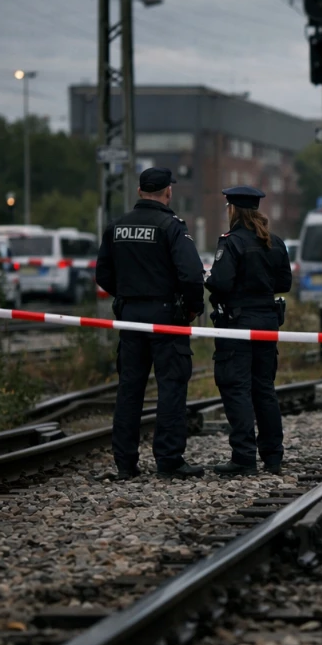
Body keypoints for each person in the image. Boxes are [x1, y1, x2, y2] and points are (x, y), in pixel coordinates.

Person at [95, 167, 206, 480]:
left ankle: (125, 463)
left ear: (140, 191)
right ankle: (169, 460)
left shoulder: (117, 226)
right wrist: (192, 309)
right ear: (168, 191)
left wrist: (127, 296)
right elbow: (191, 275)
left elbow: (103, 274)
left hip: (130, 317)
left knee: (130, 389)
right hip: (166, 317)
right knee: (171, 386)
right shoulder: (172, 227)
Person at [205, 186, 293, 476]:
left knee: (236, 387)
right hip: (267, 321)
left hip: (238, 324)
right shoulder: (275, 242)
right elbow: (284, 283)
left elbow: (220, 283)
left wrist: (211, 280)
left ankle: (244, 457)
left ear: (232, 209)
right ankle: (273, 456)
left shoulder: (231, 242)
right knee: (264, 388)